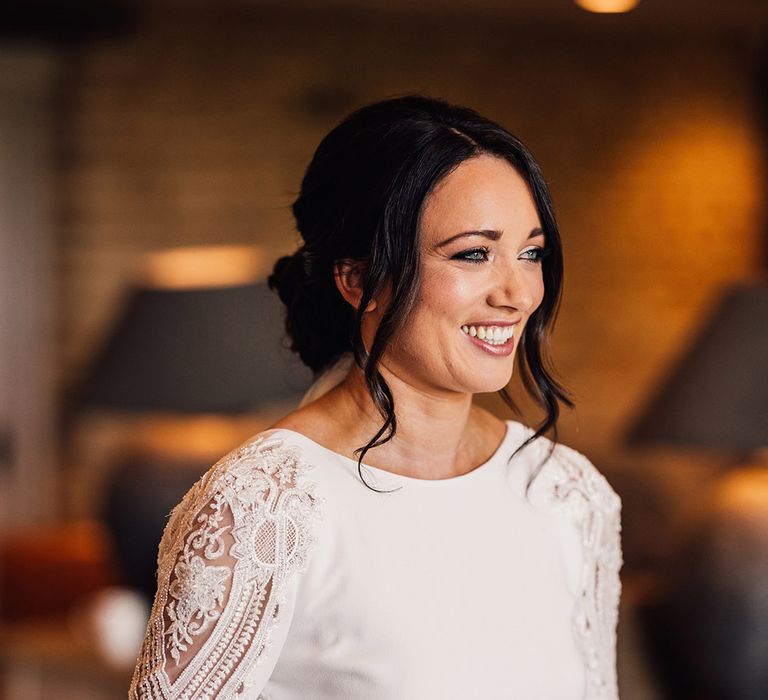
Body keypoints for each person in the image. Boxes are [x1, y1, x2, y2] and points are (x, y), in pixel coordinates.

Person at [129, 95, 623, 699]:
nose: (518, 293)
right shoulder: (264, 510)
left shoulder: (567, 495)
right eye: (473, 253)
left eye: (531, 252)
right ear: (358, 278)